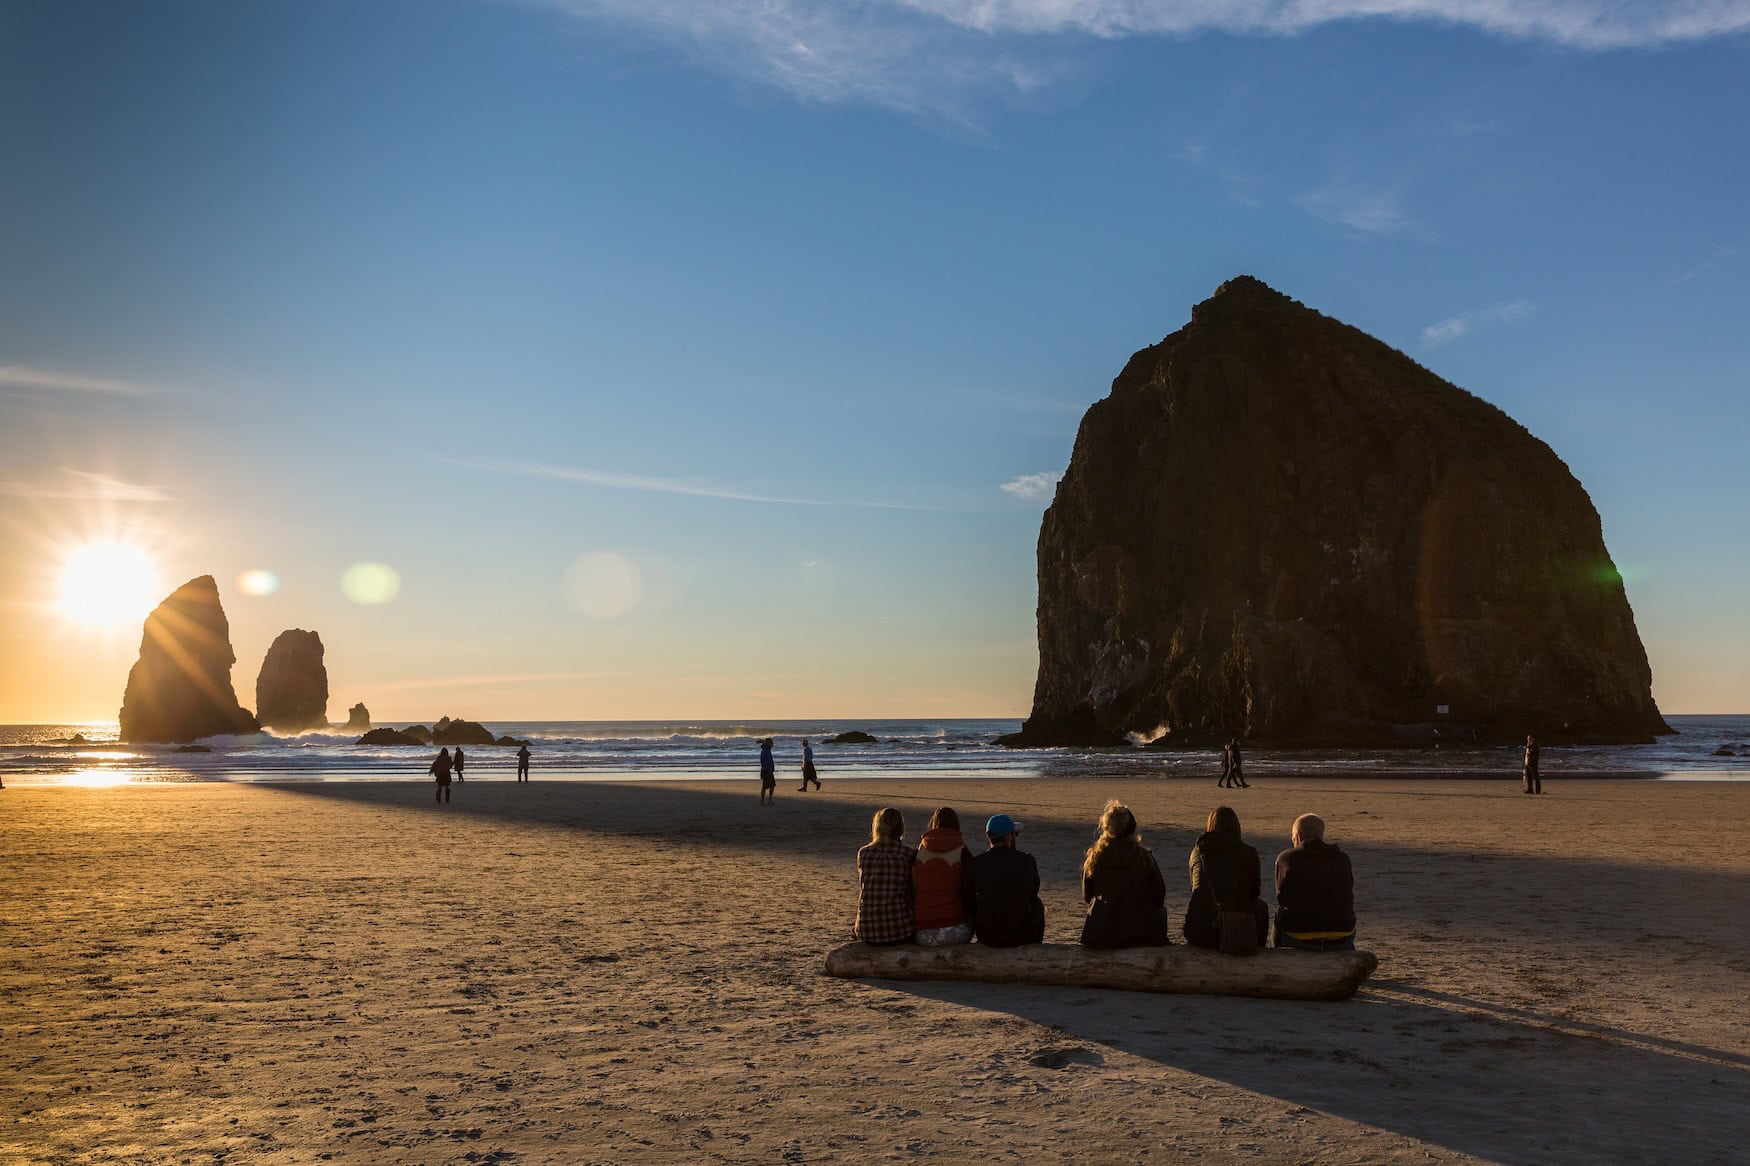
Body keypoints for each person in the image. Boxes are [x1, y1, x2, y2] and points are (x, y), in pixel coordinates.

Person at [1079, 801, 1172, 948]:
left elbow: (1087, 895)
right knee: (1161, 912)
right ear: (1132, 829)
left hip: (1103, 933)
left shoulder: (1094, 858)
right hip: (1140, 932)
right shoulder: (1144, 857)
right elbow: (1159, 896)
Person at [1182, 806, 1270, 950]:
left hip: (1200, 931)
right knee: (1260, 906)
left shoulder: (1197, 852)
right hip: (1236, 930)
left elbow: (1195, 887)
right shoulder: (1248, 852)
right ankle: (1258, 946)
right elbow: (1254, 892)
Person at [1273, 813, 1356, 951]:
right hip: (1342, 932)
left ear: (1298, 836)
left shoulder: (1286, 858)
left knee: (1279, 913)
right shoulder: (1342, 858)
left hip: (1299, 934)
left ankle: (1277, 953)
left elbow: (1282, 898)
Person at [969, 813, 1045, 946]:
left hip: (988, 935)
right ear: (1009, 837)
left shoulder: (976, 863)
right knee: (1037, 903)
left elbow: (968, 896)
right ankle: (1036, 944)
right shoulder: (1026, 860)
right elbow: (1033, 892)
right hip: (1021, 934)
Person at [913, 806, 976, 946]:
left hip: (922, 933)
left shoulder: (919, 851)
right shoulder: (962, 852)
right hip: (955, 930)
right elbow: (969, 893)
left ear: (934, 825)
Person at [854, 808, 916, 946]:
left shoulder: (864, 853)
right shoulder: (908, 854)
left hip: (866, 929)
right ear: (900, 829)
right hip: (898, 930)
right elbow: (914, 891)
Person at [758, 737, 776, 805]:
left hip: (768, 770)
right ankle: (763, 801)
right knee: (765, 786)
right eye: (771, 743)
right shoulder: (765, 751)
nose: (772, 744)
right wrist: (769, 770)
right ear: (769, 744)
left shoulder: (767, 750)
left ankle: (769, 800)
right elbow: (765, 762)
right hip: (767, 771)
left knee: (772, 785)